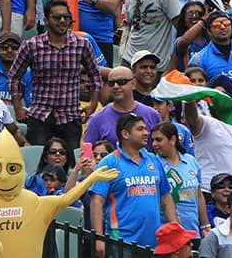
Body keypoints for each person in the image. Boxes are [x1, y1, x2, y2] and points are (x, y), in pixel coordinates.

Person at [9, 0, 102, 152]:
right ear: (46, 20)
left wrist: (92, 104)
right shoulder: (32, 45)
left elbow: (95, 75)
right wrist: (18, 107)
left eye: (66, 17)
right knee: (38, 159)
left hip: (70, 115)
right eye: (57, 17)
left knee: (71, 162)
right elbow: (14, 77)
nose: (62, 21)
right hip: (40, 115)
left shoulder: (82, 45)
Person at [88, 113, 177, 251]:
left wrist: (174, 227)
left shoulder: (153, 160)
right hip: (121, 243)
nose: (146, 133)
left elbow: (165, 196)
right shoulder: (109, 163)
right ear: (125, 134)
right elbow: (96, 201)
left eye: (145, 129)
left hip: (153, 243)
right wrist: (99, 239)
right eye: (140, 129)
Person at [152, 121, 209, 236]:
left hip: (193, 231)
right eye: (152, 140)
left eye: (158, 140)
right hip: (168, 233)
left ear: (172, 140)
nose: (154, 144)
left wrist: (205, 225)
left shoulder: (190, 161)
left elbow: (199, 195)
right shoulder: (154, 164)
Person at [83, 65, 161, 145]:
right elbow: (86, 153)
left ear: (133, 84)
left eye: (121, 82)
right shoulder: (96, 120)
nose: (116, 86)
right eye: (111, 83)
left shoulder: (152, 115)